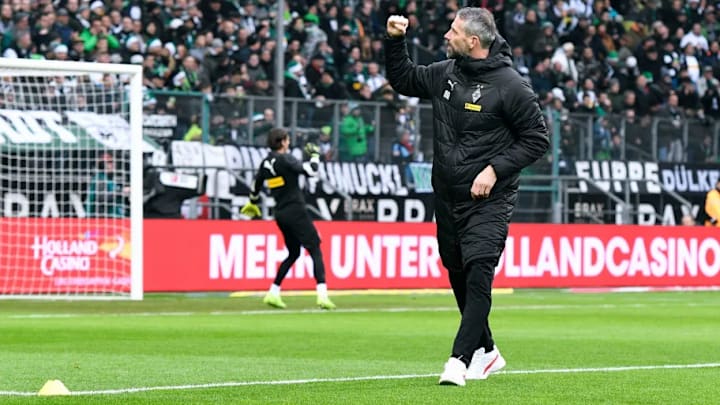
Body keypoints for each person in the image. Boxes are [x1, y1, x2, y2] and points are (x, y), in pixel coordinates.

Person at [385, 9, 549, 386]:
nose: (447, 35)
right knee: (458, 272)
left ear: (473, 42)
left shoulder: (511, 86)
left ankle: (458, 361)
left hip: (490, 199)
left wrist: (494, 170)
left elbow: (537, 139)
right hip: (447, 196)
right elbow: (404, 78)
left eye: (454, 31)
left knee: (478, 273)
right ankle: (487, 352)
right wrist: (395, 40)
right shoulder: (446, 72)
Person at [241, 128, 336, 310]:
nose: (289, 142)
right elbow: (311, 171)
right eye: (287, 139)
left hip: (280, 213)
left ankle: (273, 292)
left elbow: (256, 184)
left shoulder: (266, 162)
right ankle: (322, 295)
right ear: (283, 142)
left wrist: (252, 202)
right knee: (315, 248)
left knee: (294, 253)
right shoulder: (286, 159)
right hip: (295, 210)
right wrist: (315, 155)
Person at [85, 152, 129, 218]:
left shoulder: (109, 178)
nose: (113, 164)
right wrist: (121, 191)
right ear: (102, 165)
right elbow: (102, 198)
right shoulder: (99, 178)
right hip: (101, 217)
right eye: (109, 162)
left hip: (112, 215)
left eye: (113, 162)